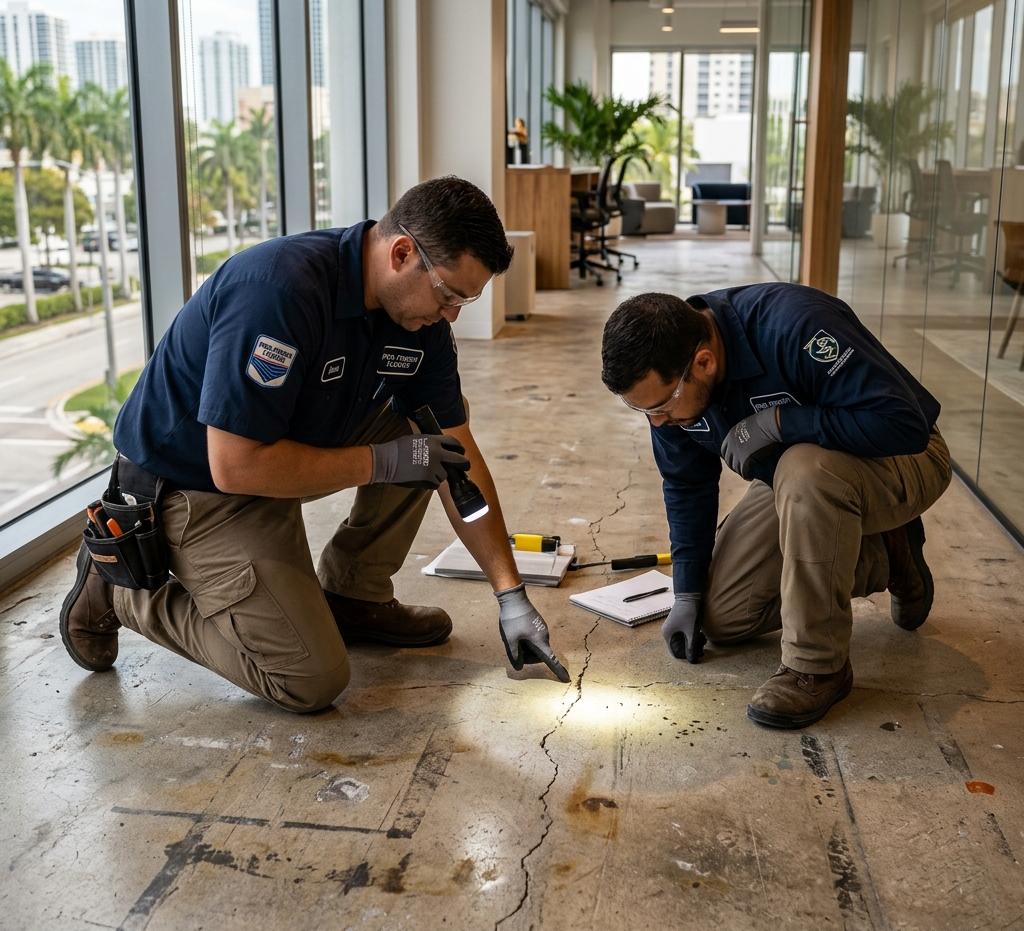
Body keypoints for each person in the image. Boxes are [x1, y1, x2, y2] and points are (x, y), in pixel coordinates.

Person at [60, 176, 570, 712]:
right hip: (196, 486)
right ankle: (124, 592)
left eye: (466, 299)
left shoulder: (420, 323)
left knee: (428, 438)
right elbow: (235, 466)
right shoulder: (278, 291)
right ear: (401, 254)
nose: (452, 314)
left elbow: (459, 457)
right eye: (449, 294)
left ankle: (353, 595)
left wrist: (510, 594)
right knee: (309, 679)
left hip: (280, 453)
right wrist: (380, 463)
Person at [600, 285, 951, 729]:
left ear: (704, 363)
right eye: (642, 410)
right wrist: (686, 592)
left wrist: (781, 422)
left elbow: (903, 425)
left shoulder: (795, 327)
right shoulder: (670, 381)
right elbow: (687, 485)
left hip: (902, 457)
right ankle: (888, 556)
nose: (657, 421)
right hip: (800, 485)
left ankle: (817, 667)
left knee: (804, 469)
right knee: (725, 617)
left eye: (662, 405)